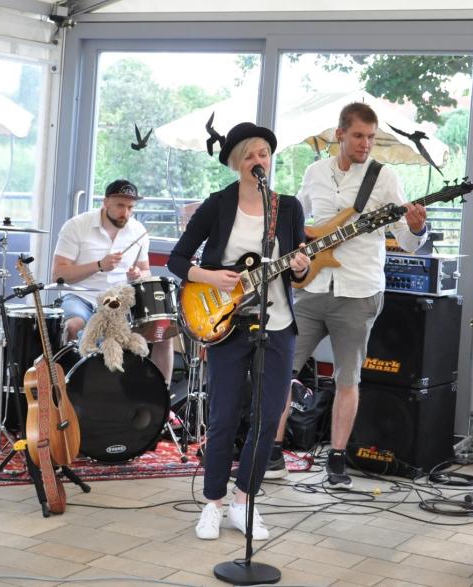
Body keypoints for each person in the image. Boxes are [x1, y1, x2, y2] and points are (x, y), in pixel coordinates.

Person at [267, 102, 428, 487]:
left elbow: (408, 242)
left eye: (371, 137)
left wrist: (416, 228)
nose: (365, 144)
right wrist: (295, 250)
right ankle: (271, 451)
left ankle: (337, 458)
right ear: (340, 134)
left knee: (347, 378)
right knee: (280, 372)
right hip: (310, 288)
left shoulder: (385, 177)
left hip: (358, 290)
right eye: (358, 136)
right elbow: (297, 221)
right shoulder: (314, 171)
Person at [168, 122, 310, 541]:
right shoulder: (217, 204)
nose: (258, 161)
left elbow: (297, 264)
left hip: (278, 324)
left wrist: (301, 267)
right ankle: (212, 503)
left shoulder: (288, 208)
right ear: (235, 162)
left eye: (264, 153)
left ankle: (244, 501)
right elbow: (177, 260)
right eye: (249, 155)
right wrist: (209, 277)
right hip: (225, 324)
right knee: (224, 414)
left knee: (268, 416)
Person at [52, 179, 174, 385]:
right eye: (120, 205)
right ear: (105, 202)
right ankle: (71, 389)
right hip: (82, 295)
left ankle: (159, 401)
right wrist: (99, 265)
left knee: (164, 333)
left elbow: (145, 270)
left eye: (130, 207)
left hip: (120, 301)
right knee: (73, 326)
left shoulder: (138, 231)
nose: (125, 213)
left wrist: (138, 275)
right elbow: (59, 274)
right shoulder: (77, 226)